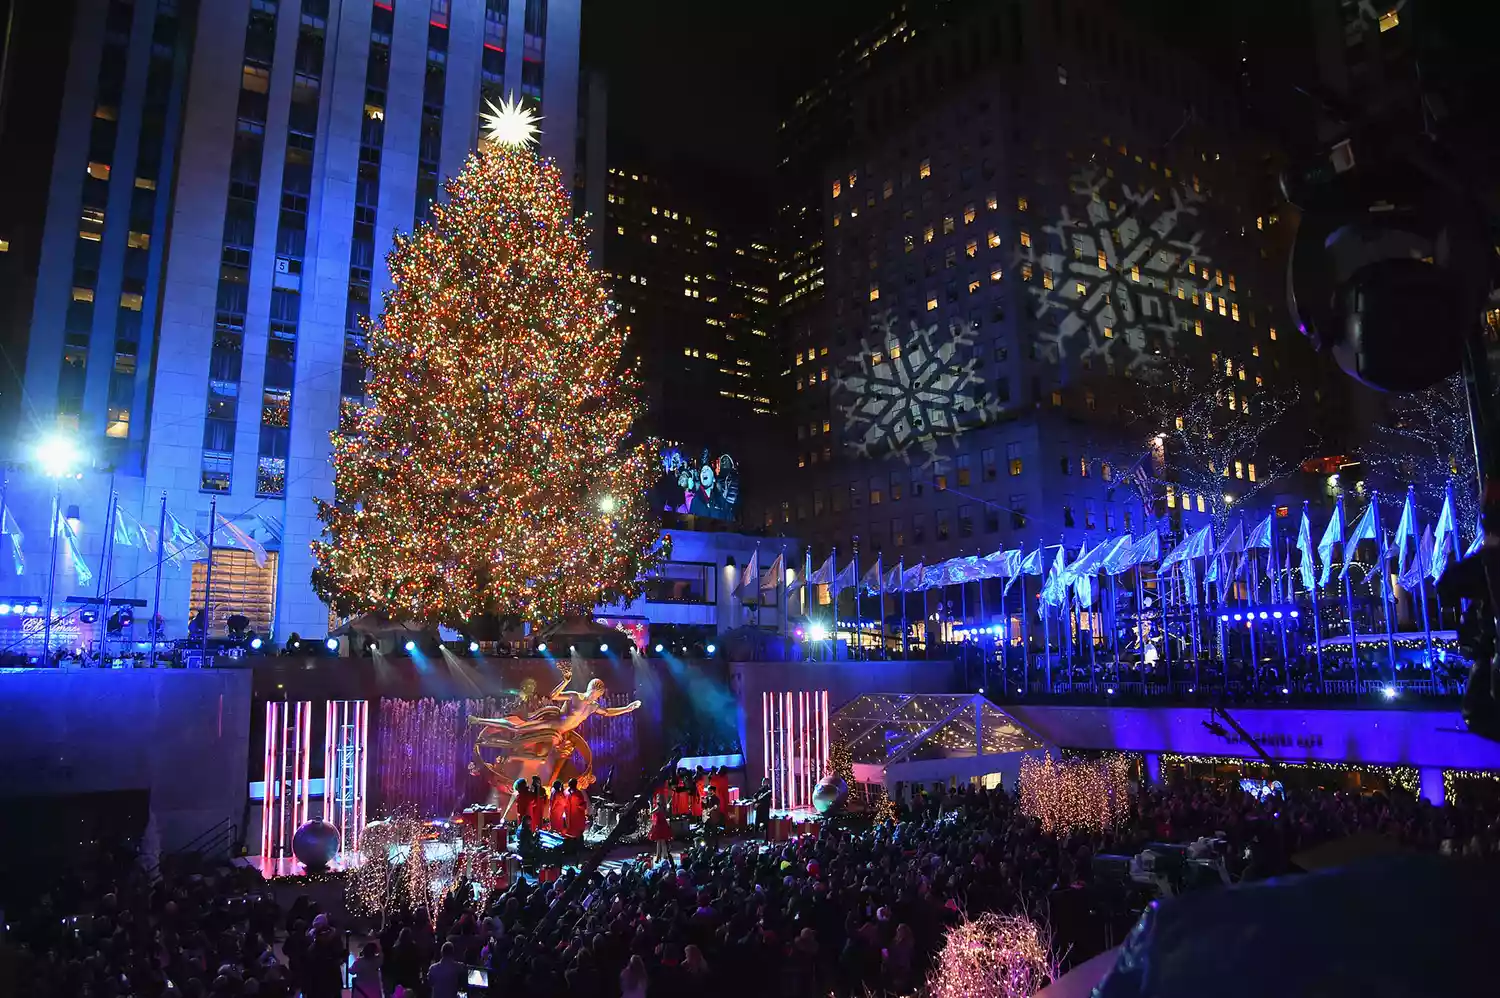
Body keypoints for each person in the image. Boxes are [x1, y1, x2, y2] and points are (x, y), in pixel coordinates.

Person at [648, 794, 673, 863]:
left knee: (660, 841)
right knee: (661, 841)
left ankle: (661, 856)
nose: (657, 800)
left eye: (658, 798)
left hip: (659, 825)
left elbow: (651, 813)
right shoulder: (663, 807)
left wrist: (650, 804)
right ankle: (662, 856)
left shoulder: (658, 807)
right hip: (662, 824)